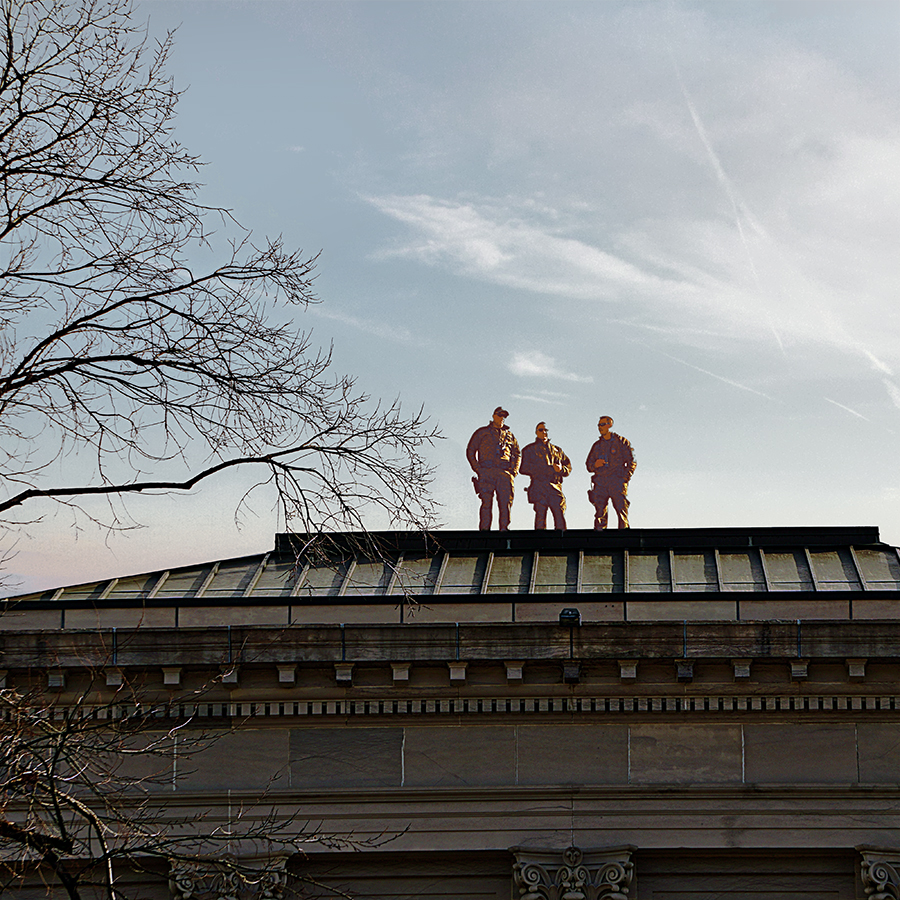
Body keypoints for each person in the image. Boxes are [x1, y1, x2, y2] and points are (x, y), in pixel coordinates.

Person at [466, 407, 520, 530]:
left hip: (504, 473)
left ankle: (504, 529)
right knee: (486, 503)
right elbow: (470, 450)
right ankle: (485, 531)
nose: (502, 418)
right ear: (493, 416)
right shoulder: (482, 432)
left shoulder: (510, 436)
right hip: (486, 471)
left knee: (505, 503)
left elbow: (517, 454)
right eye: (500, 415)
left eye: (504, 416)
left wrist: (514, 471)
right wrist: (477, 468)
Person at [585, 415, 636, 529]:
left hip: (616, 481)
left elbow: (632, 461)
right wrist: (595, 465)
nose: (600, 427)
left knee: (621, 509)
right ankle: (600, 537)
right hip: (601, 482)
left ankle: (624, 536)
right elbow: (588, 465)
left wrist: (625, 477)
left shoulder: (621, 442)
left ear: (610, 425)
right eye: (599, 425)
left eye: (602, 425)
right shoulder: (597, 446)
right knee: (600, 513)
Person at [519, 422, 571, 530]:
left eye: (545, 430)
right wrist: (546, 469)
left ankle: (561, 539)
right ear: (536, 432)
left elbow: (568, 467)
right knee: (540, 518)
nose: (543, 432)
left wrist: (561, 469)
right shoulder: (529, 450)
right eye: (541, 430)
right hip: (539, 487)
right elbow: (523, 468)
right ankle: (540, 540)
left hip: (555, 487)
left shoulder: (557, 450)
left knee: (559, 516)